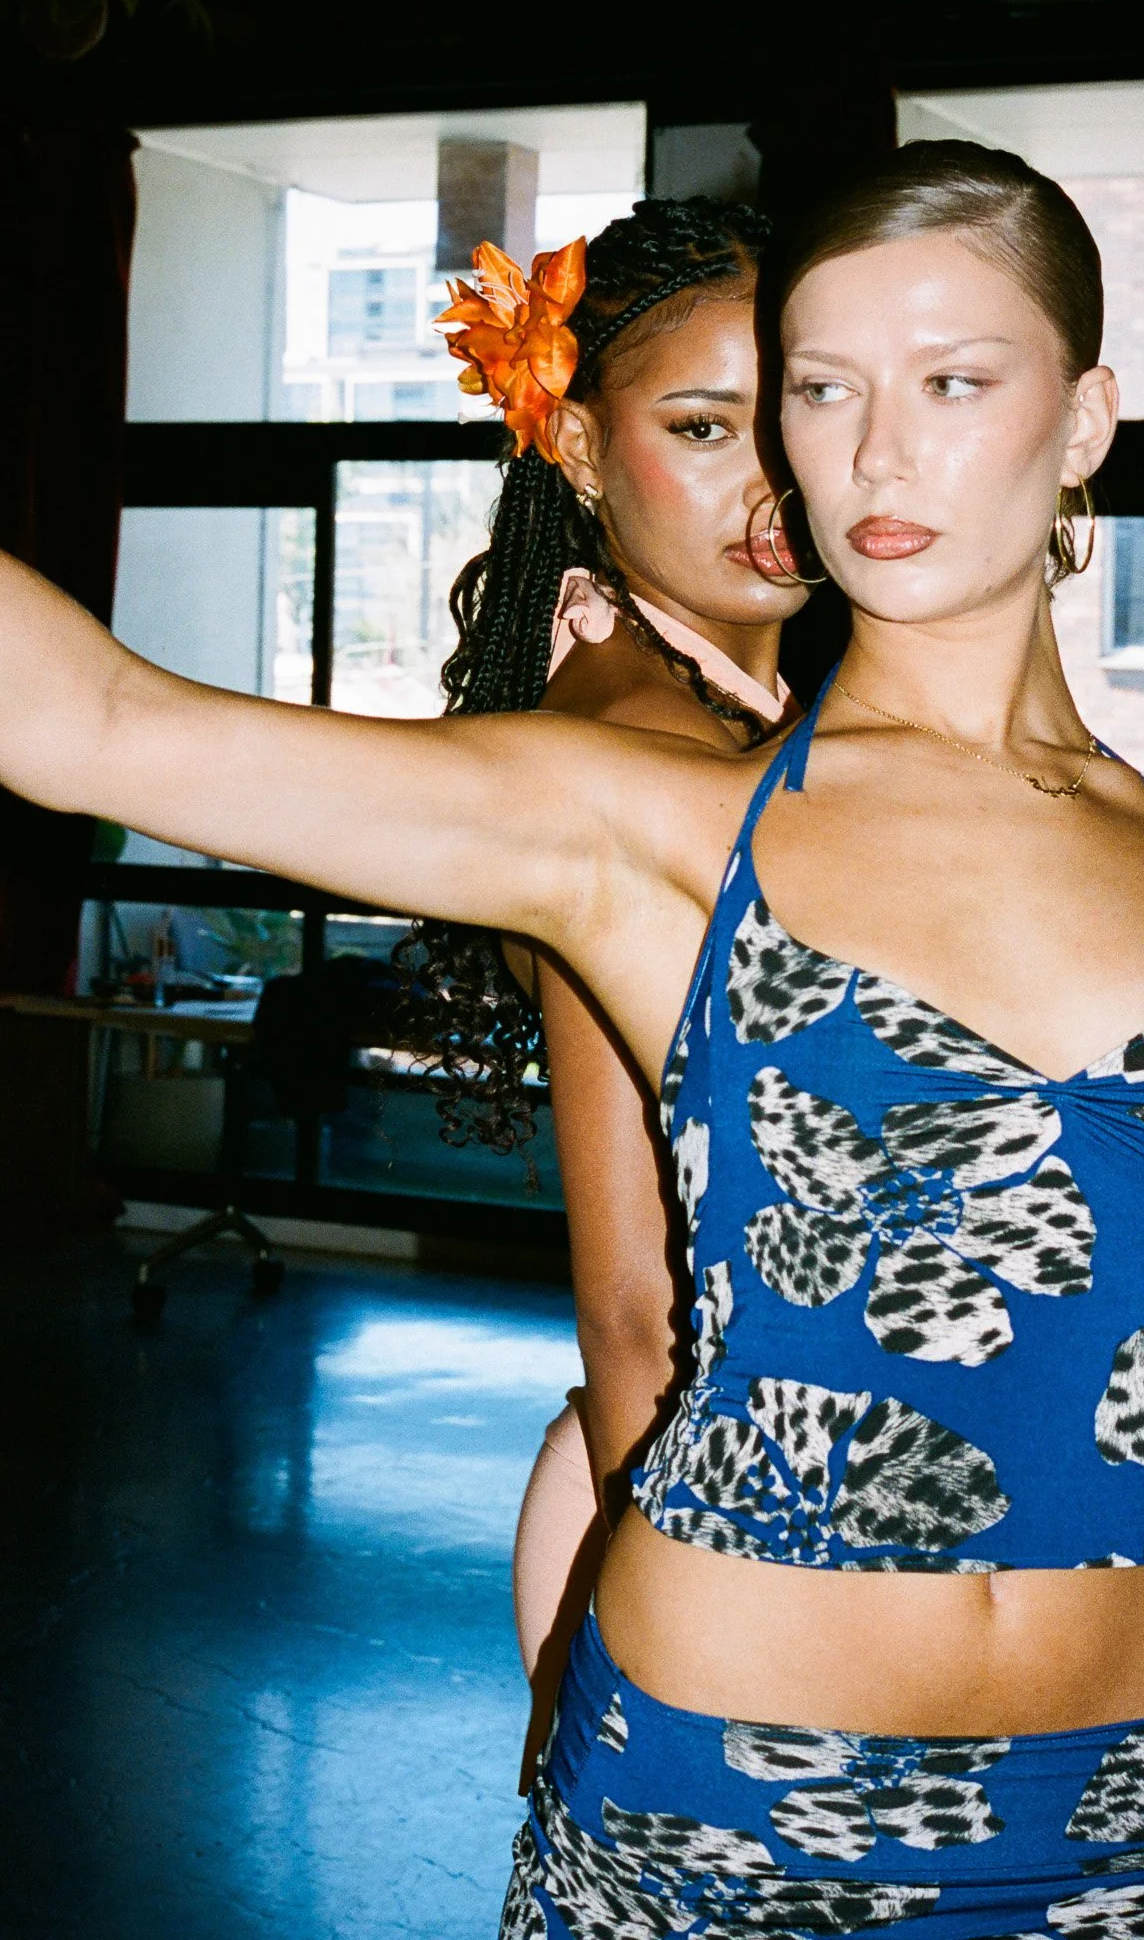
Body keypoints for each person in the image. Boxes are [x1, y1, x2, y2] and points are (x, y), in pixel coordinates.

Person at [0, 140, 1144, 1938]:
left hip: (1143, 1805)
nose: (875, 453)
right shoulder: (664, 828)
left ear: (1087, 417)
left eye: (954, 383)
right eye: (822, 392)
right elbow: (92, 720)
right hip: (733, 1790)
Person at [396, 199, 812, 1739]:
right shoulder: (635, 754)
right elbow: (639, 1299)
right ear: (572, 446)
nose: (773, 484)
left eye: (801, 411)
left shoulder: (727, 721)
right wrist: (702, 1648)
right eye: (702, 426)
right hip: (696, 1516)